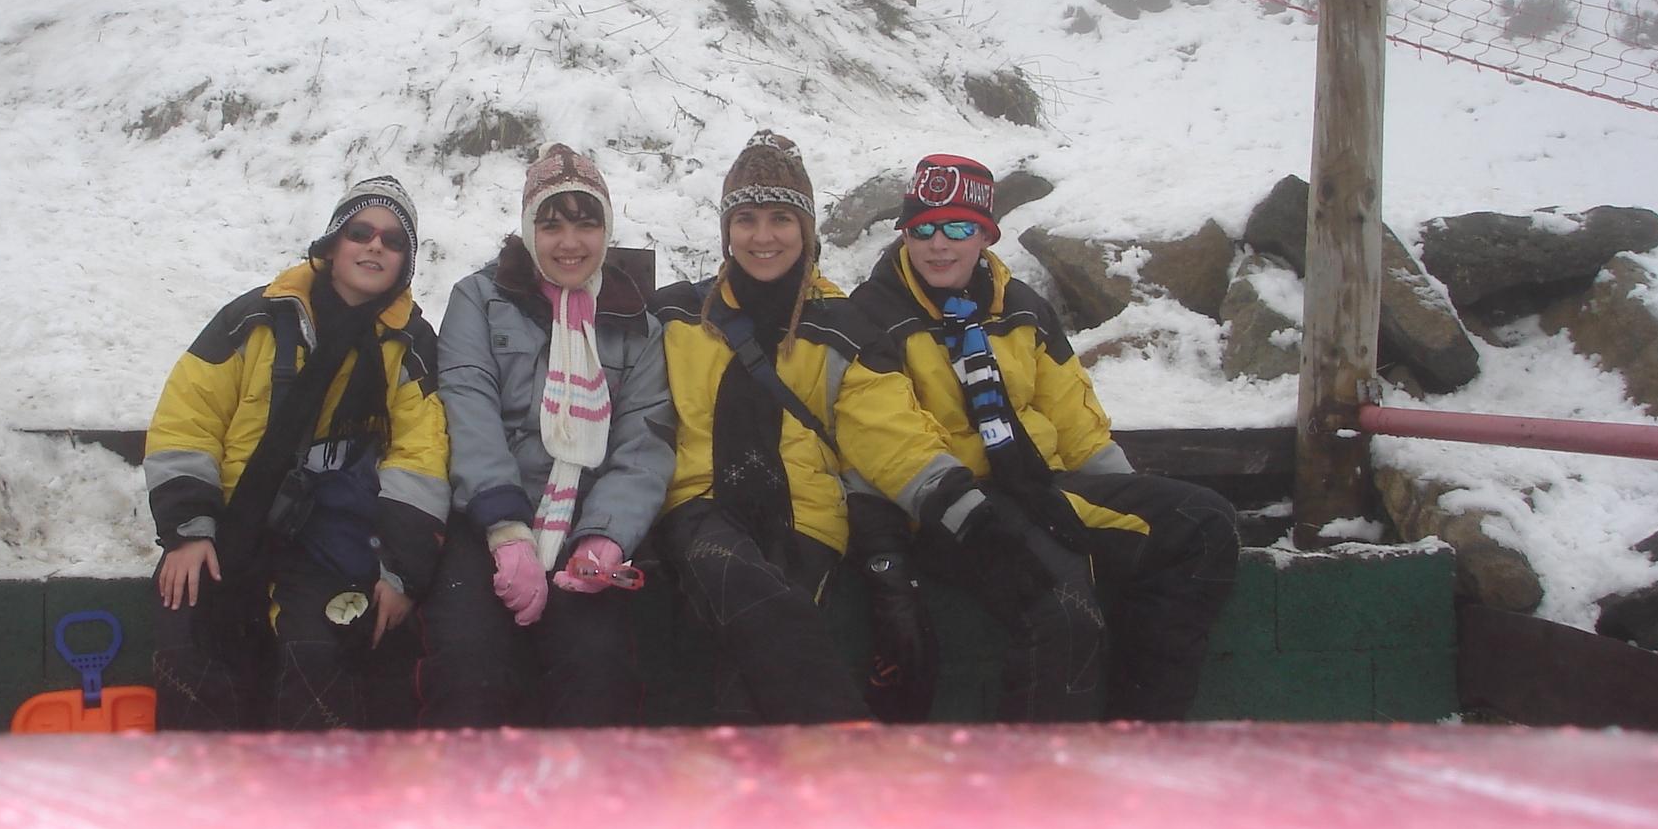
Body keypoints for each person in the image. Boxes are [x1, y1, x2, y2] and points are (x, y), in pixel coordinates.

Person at [649, 130, 1082, 725]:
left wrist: (977, 524)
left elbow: (889, 436)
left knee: (744, 674)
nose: (763, 236)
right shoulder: (677, 315)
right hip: (703, 504)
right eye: (746, 219)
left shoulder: (842, 325)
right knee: (740, 585)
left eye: (781, 218)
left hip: (804, 516)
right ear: (727, 231)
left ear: (806, 229)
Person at [850, 153, 1240, 721]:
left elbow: (1074, 420)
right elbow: (886, 437)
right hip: (945, 511)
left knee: (1201, 525)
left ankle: (1140, 734)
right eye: (922, 229)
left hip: (1036, 488)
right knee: (1060, 604)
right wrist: (971, 516)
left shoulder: (1022, 308)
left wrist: (1124, 501)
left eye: (957, 228)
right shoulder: (869, 316)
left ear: (985, 234)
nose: (938, 245)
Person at [143, 174, 450, 730]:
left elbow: (420, 456)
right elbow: (188, 418)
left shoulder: (410, 344)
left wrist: (401, 571)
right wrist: (189, 530)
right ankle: (200, 782)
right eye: (360, 232)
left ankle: (309, 784)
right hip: (231, 524)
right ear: (333, 243)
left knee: (321, 654)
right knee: (189, 641)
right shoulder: (255, 316)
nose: (374, 246)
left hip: (332, 540)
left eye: (392, 240)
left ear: (405, 263)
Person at [422, 144, 674, 726]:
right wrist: (506, 529)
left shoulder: (637, 327)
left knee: (598, 672)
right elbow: (469, 404)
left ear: (606, 231)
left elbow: (643, 445)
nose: (569, 243)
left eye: (586, 225)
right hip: (484, 518)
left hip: (584, 525)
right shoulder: (479, 299)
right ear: (527, 228)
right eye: (551, 224)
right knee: (468, 666)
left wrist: (603, 539)